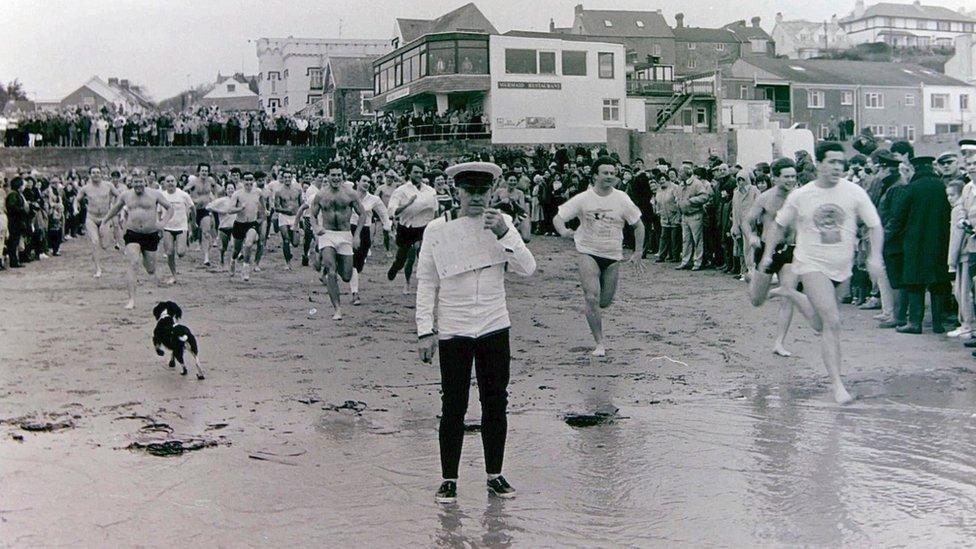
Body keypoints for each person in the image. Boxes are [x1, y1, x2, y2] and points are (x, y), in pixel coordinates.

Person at [415, 161, 536, 504]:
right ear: (457, 191)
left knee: (495, 402)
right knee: (453, 404)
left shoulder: (503, 224)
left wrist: (504, 233)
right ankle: (449, 479)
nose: (476, 198)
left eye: (483, 192)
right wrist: (425, 330)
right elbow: (427, 281)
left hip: (494, 323)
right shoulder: (437, 229)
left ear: (492, 192)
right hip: (454, 326)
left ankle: (494, 475)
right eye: (469, 191)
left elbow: (527, 268)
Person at [761, 142, 884, 405]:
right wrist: (767, 253)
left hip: (842, 267)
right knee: (833, 322)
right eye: (832, 162)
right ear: (819, 164)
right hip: (811, 263)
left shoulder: (854, 192)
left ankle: (790, 293)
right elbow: (778, 225)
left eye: (841, 162)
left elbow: (875, 226)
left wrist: (875, 256)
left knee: (820, 323)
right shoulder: (802, 195)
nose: (838, 167)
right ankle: (838, 385)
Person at [554, 156, 646, 357]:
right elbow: (559, 217)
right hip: (588, 252)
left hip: (613, 256)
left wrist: (638, 252)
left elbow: (639, 226)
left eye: (613, 173)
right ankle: (599, 343)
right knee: (591, 297)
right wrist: (563, 231)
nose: (609, 176)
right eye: (605, 173)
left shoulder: (622, 198)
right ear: (595, 175)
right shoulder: (584, 198)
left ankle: (595, 315)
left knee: (604, 302)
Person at [886, 156, 952, 334]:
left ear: (915, 169)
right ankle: (938, 323)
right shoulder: (942, 186)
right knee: (938, 280)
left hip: (916, 242)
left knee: (915, 281)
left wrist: (887, 237)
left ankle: (915, 323)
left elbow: (898, 217)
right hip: (941, 241)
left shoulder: (911, 188)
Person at [744, 157, 799, 357]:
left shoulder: (799, 196)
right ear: (775, 178)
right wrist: (752, 236)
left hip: (790, 250)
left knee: (789, 296)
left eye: (793, 176)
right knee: (757, 301)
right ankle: (755, 282)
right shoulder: (765, 198)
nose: (790, 180)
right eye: (786, 177)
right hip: (767, 249)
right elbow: (748, 221)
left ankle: (779, 342)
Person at [99, 170, 173, 309]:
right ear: (131, 182)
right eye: (135, 182)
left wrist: (163, 223)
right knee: (133, 263)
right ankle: (131, 299)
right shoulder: (125, 195)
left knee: (150, 269)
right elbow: (115, 209)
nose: (138, 184)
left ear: (145, 181)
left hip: (150, 234)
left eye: (140, 181)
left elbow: (170, 208)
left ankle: (150, 270)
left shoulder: (155, 194)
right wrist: (104, 221)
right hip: (132, 233)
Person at [310, 162, 365, 320]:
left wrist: (357, 235)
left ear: (342, 176)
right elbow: (312, 214)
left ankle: (336, 264)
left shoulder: (350, 194)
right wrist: (316, 227)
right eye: (333, 175)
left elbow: (362, 214)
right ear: (327, 176)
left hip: (345, 234)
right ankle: (337, 309)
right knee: (331, 270)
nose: (336, 178)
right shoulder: (321, 195)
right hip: (327, 234)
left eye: (338, 175)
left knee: (347, 276)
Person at [387, 160, 438, 294]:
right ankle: (398, 268)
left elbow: (435, 210)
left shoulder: (430, 191)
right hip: (406, 228)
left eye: (421, 172)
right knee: (404, 259)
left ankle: (424, 284)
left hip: (423, 228)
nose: (419, 175)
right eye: (415, 172)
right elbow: (392, 211)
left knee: (421, 253)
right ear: (409, 173)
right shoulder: (401, 191)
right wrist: (408, 204)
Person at [349, 173, 391, 305]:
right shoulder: (349, 195)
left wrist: (387, 226)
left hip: (365, 231)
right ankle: (355, 293)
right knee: (354, 262)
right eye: (364, 181)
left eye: (368, 181)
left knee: (360, 263)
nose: (366, 183)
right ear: (357, 182)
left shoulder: (373, 199)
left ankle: (352, 274)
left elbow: (383, 212)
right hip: (350, 229)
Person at [74, 166, 119, 278]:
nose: (96, 174)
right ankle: (98, 269)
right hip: (91, 218)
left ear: (101, 174)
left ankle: (96, 254)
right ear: (90, 174)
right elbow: (76, 199)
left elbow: (119, 196)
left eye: (98, 172)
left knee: (105, 245)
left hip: (105, 218)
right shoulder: (85, 188)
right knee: (95, 243)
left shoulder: (108, 185)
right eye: (93, 173)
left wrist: (116, 208)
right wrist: (75, 208)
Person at [226, 172, 264, 281]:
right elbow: (230, 210)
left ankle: (245, 267)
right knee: (236, 250)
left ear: (253, 181)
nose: (248, 182)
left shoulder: (258, 192)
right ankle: (233, 261)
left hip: (252, 224)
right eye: (246, 180)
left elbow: (263, 206)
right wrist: (240, 209)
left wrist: (261, 217)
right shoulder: (237, 194)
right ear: (242, 181)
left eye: (250, 180)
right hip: (239, 223)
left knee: (248, 244)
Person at [675, 167, 711, 271]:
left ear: (687, 173)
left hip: (695, 214)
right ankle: (685, 261)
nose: (679, 173)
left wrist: (691, 201)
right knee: (686, 240)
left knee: (697, 240)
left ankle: (697, 262)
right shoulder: (681, 185)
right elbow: (678, 197)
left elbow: (705, 196)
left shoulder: (697, 183)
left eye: (680, 172)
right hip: (684, 215)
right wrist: (678, 203)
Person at [160, 175, 194, 284]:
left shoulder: (183, 195)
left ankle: (183, 242)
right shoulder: (162, 196)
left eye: (172, 181)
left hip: (181, 227)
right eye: (168, 181)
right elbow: (158, 212)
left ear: (176, 182)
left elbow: (192, 208)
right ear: (164, 183)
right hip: (167, 227)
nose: (170, 183)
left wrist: (193, 223)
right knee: (169, 253)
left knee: (180, 253)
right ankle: (173, 275)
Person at [185, 163, 215, 266]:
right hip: (194, 211)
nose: (204, 173)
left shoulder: (210, 181)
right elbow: (184, 191)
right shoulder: (193, 182)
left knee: (206, 233)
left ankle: (206, 258)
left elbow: (217, 190)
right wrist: (192, 200)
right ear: (199, 171)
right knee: (195, 233)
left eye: (206, 171)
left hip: (205, 210)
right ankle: (191, 235)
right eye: (202, 170)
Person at [273, 169, 303, 270]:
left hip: (294, 217)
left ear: (292, 178)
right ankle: (288, 263)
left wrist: (299, 216)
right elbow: (276, 207)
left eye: (289, 177)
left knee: (295, 243)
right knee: (286, 240)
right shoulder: (279, 191)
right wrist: (286, 210)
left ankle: (289, 253)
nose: (287, 179)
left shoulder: (298, 190)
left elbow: (301, 204)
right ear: (282, 178)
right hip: (284, 217)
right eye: (285, 177)